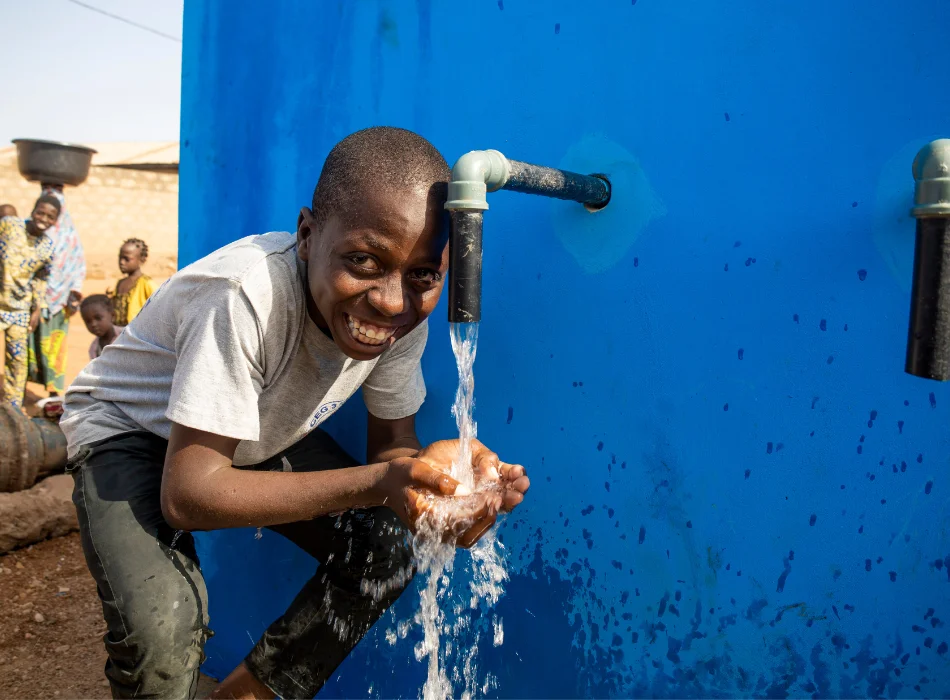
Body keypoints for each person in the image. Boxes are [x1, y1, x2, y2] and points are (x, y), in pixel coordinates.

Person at [61, 127, 530, 700]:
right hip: (131, 434)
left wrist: (433, 481)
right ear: (308, 234)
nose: (389, 299)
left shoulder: (403, 313)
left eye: (423, 276)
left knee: (388, 541)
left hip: (252, 434)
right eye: (362, 261)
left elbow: (392, 448)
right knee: (163, 625)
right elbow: (188, 497)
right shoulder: (244, 295)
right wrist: (385, 481)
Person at [27, 184, 86, 396]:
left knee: (56, 345)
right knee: (32, 343)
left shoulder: (69, 236)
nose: (44, 218)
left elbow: (78, 264)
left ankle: (54, 390)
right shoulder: (31, 234)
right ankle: (29, 383)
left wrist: (74, 291)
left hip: (60, 300)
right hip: (33, 299)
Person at [0, 195, 57, 410]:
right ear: (32, 211)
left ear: (55, 221)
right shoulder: (9, 226)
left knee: (17, 361)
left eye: (50, 216)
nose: (43, 218)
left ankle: (11, 411)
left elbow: (42, 278)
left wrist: (37, 308)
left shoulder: (47, 247)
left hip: (20, 308)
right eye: (40, 212)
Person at [109, 237, 154, 326]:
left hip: (136, 333)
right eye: (120, 258)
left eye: (127, 259)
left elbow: (159, 305)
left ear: (142, 259)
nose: (122, 262)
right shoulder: (120, 283)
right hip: (119, 334)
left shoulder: (146, 284)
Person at [80, 294, 122, 360]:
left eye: (98, 318)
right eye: (88, 321)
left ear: (113, 315)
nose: (93, 324)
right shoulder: (94, 349)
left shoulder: (126, 336)